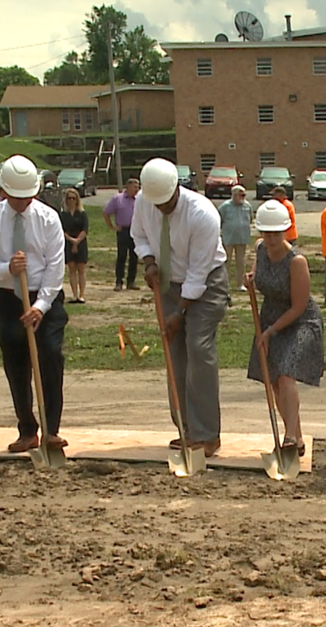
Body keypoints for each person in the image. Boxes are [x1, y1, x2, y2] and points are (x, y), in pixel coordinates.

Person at [0, 155, 68, 454]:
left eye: (29, 196)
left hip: (46, 299)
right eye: (17, 197)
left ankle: (52, 429)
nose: (24, 202)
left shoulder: (48, 218)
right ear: (5, 192)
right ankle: (27, 429)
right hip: (9, 299)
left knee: (50, 357)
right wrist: (5, 269)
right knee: (17, 365)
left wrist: (40, 306)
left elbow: (56, 267)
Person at [132, 158, 229, 458]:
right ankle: (186, 428)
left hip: (206, 283)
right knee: (175, 352)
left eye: (166, 202)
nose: (161, 208)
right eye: (156, 204)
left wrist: (179, 312)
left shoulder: (202, 215)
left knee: (198, 347)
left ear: (177, 188)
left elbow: (198, 275)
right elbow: (139, 235)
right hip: (168, 282)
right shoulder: (144, 200)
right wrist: (148, 262)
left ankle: (207, 434)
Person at [245, 200, 325, 455]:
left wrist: (270, 331)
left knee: (286, 372)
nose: (271, 238)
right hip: (270, 317)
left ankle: (289, 437)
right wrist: (251, 279)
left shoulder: (297, 261)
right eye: (266, 232)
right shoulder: (259, 249)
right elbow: (258, 272)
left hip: (300, 321)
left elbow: (298, 306)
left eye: (276, 233)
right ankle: (297, 437)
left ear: (286, 231)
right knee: (275, 380)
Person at [104, 178, 140, 291]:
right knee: (122, 256)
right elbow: (106, 212)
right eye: (135, 186)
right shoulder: (117, 199)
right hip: (123, 230)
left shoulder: (139, 200)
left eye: (138, 187)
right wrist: (112, 227)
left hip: (135, 231)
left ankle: (131, 282)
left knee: (134, 257)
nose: (137, 189)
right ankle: (119, 281)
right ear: (128, 187)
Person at [218, 185, 252, 292]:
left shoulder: (247, 206)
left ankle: (240, 284)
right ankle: (224, 284)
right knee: (226, 261)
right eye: (240, 195)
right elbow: (219, 219)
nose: (242, 197)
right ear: (234, 195)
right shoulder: (225, 206)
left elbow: (250, 218)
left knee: (240, 262)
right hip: (228, 238)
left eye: (244, 195)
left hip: (242, 238)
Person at [60, 188, 89, 304]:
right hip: (68, 242)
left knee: (81, 269)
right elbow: (61, 229)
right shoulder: (63, 214)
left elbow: (85, 229)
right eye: (69, 198)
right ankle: (74, 295)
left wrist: (77, 241)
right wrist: (72, 241)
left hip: (81, 242)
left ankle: (82, 295)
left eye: (73, 198)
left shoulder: (82, 213)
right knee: (71, 268)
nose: (71, 200)